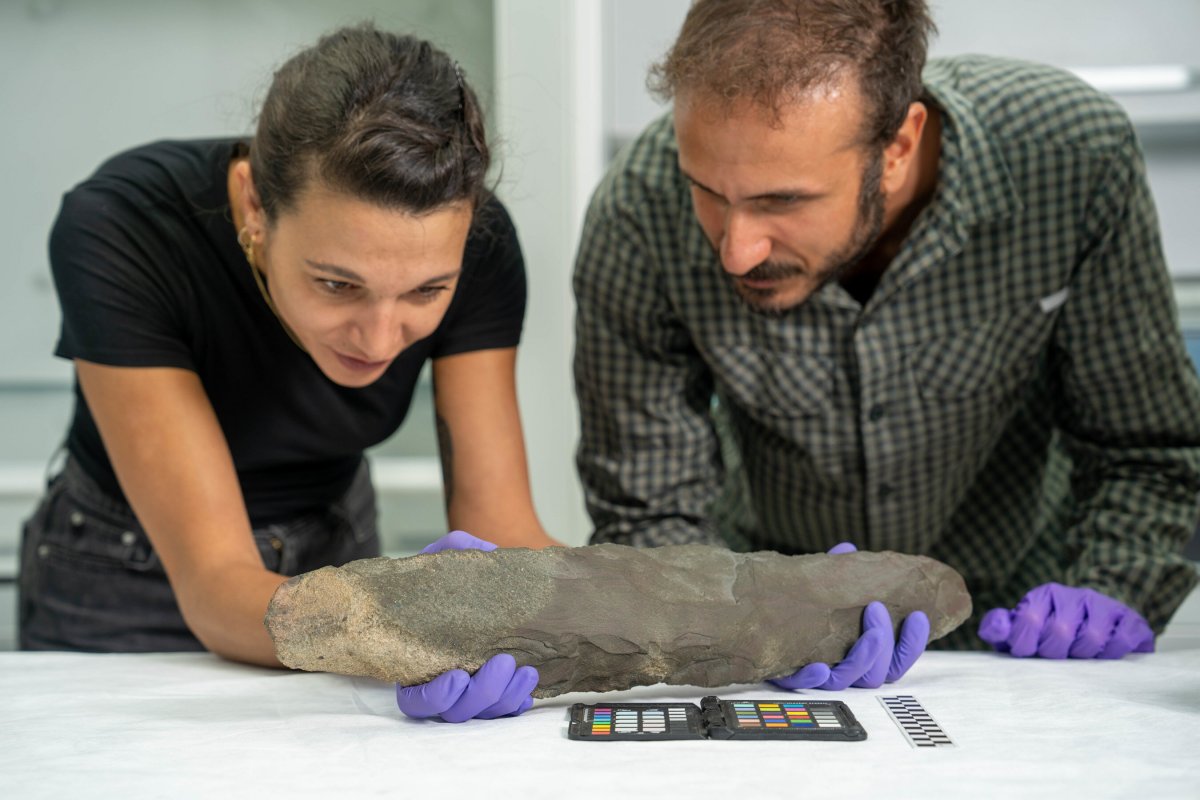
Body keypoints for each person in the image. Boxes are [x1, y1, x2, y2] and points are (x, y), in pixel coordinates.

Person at [573, 0, 1200, 685]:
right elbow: (649, 510)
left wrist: (1112, 589)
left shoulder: (1072, 159)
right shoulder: (638, 211)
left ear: (898, 148)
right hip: (763, 628)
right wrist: (732, 631)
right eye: (707, 192)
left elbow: (1146, 449)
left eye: (782, 201)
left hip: (1023, 637)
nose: (736, 251)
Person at [20, 24, 550, 722]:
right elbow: (216, 582)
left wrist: (552, 612)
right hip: (126, 577)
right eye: (337, 284)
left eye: (426, 291)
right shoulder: (123, 226)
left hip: (335, 549)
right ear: (252, 206)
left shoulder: (482, 245)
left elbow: (501, 525)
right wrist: (391, 625)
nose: (381, 337)